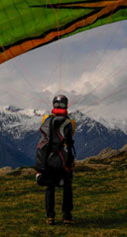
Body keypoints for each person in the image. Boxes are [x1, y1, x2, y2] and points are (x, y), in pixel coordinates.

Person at [36, 95, 76, 226]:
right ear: (66, 105)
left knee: (50, 187)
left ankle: (50, 217)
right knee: (67, 186)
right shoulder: (70, 122)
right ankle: (67, 216)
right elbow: (71, 135)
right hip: (64, 160)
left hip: (49, 160)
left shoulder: (46, 119)